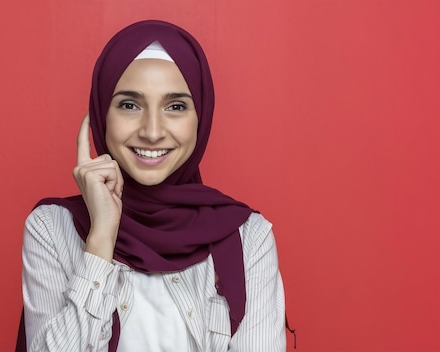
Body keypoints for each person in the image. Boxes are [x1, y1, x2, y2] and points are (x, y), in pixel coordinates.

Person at [20, 20, 286, 352]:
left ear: (200, 117)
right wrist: (101, 237)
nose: (152, 131)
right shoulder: (51, 228)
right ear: (101, 114)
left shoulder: (247, 237)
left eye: (175, 106)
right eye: (130, 105)